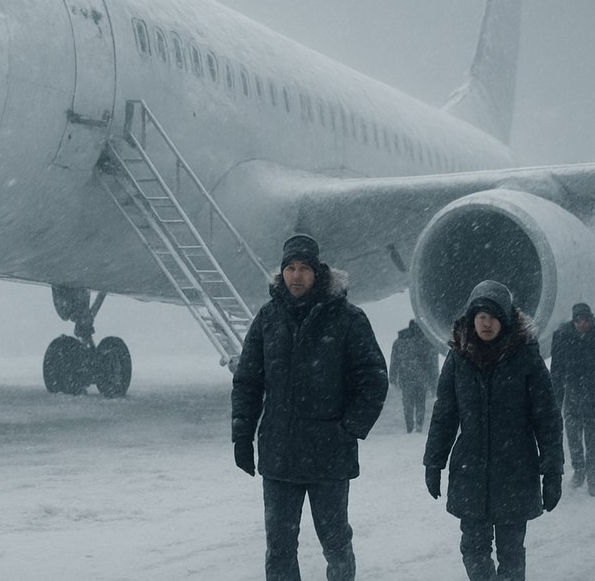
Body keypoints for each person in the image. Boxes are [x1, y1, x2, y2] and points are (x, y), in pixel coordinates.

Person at [231, 233, 388, 581]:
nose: (296, 276)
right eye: (290, 268)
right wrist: (242, 434)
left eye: (303, 268)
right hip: (278, 457)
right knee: (280, 549)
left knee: (335, 544)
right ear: (282, 273)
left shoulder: (348, 319)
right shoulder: (268, 319)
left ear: (318, 273)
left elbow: (374, 379)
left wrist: (348, 429)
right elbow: (248, 381)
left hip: (328, 458)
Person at [423, 280, 564, 581]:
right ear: (472, 318)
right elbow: (445, 414)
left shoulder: (526, 358)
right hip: (470, 471)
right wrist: (434, 462)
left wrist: (553, 471)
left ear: (505, 319)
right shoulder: (459, 359)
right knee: (473, 549)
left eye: (493, 316)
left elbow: (547, 419)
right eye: (480, 315)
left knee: (511, 552)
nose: (486, 322)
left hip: (515, 471)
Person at [550, 302, 595, 497]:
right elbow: (556, 374)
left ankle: (593, 480)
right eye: (577, 321)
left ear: (591, 320)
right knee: (573, 438)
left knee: (593, 443)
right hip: (572, 397)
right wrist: (554, 404)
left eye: (584, 320)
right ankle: (579, 471)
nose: (581, 324)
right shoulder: (563, 338)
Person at [389, 319, 439, 433]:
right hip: (422, 379)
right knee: (421, 403)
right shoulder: (426, 341)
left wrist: (392, 378)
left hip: (406, 379)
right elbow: (432, 365)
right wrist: (433, 384)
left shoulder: (399, 342)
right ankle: (419, 426)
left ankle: (409, 427)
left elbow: (394, 361)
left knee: (408, 405)